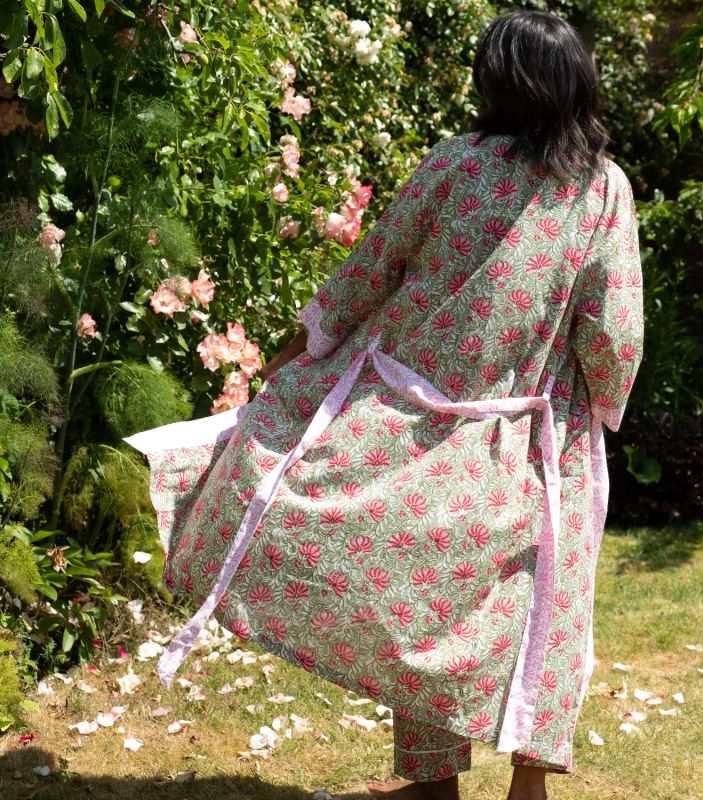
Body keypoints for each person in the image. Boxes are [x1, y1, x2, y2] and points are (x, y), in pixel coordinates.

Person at [126, 9, 644, 800]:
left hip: (417, 422)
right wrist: (602, 405)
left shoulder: (453, 165)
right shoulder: (602, 190)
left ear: (499, 82)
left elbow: (374, 268)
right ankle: (529, 786)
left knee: (427, 604)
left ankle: (433, 784)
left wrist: (301, 350)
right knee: (551, 600)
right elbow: (612, 331)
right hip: (535, 430)